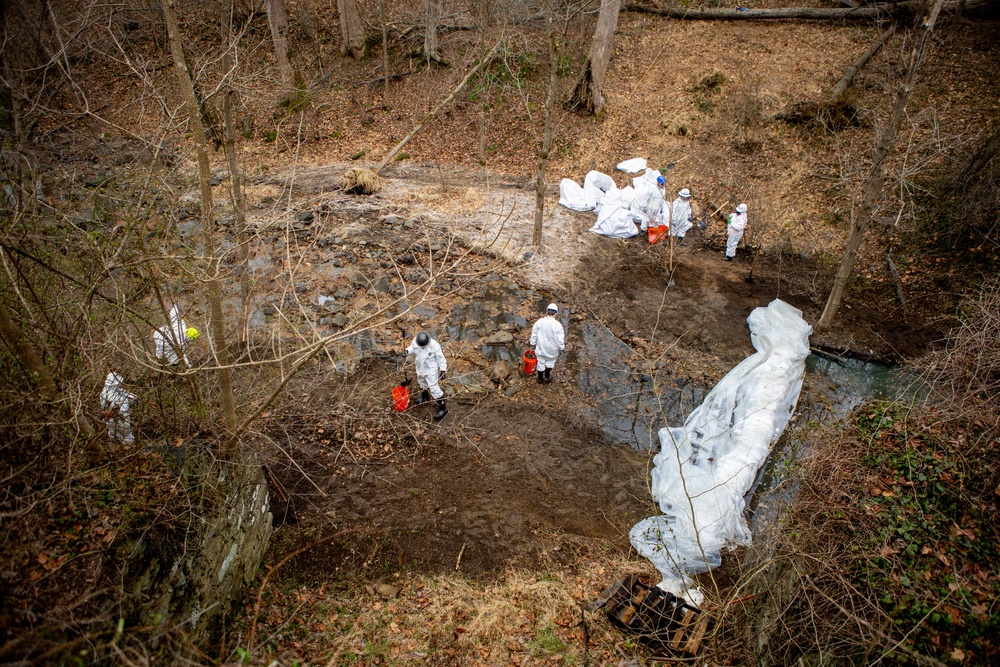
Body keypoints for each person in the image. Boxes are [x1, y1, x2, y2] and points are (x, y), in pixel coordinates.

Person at [405, 332, 448, 420]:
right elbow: (412, 348)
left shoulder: (435, 346)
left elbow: (441, 358)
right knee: (422, 382)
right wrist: (407, 351)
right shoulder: (416, 341)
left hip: (431, 369)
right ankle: (425, 397)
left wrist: (443, 370)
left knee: (434, 388)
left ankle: (443, 408)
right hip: (420, 367)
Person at [529, 303, 566, 384]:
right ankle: (547, 376)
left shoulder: (539, 322)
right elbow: (560, 340)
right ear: (555, 313)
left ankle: (539, 379)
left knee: (540, 362)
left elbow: (534, 335)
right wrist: (562, 348)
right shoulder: (558, 325)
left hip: (540, 348)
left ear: (546, 312)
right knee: (550, 363)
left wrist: (533, 344)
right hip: (552, 350)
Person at [100, 371, 137, 444]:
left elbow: (123, 393)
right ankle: (119, 442)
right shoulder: (108, 394)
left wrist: (133, 398)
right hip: (118, 417)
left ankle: (116, 441)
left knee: (114, 429)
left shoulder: (106, 392)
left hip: (115, 416)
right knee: (117, 429)